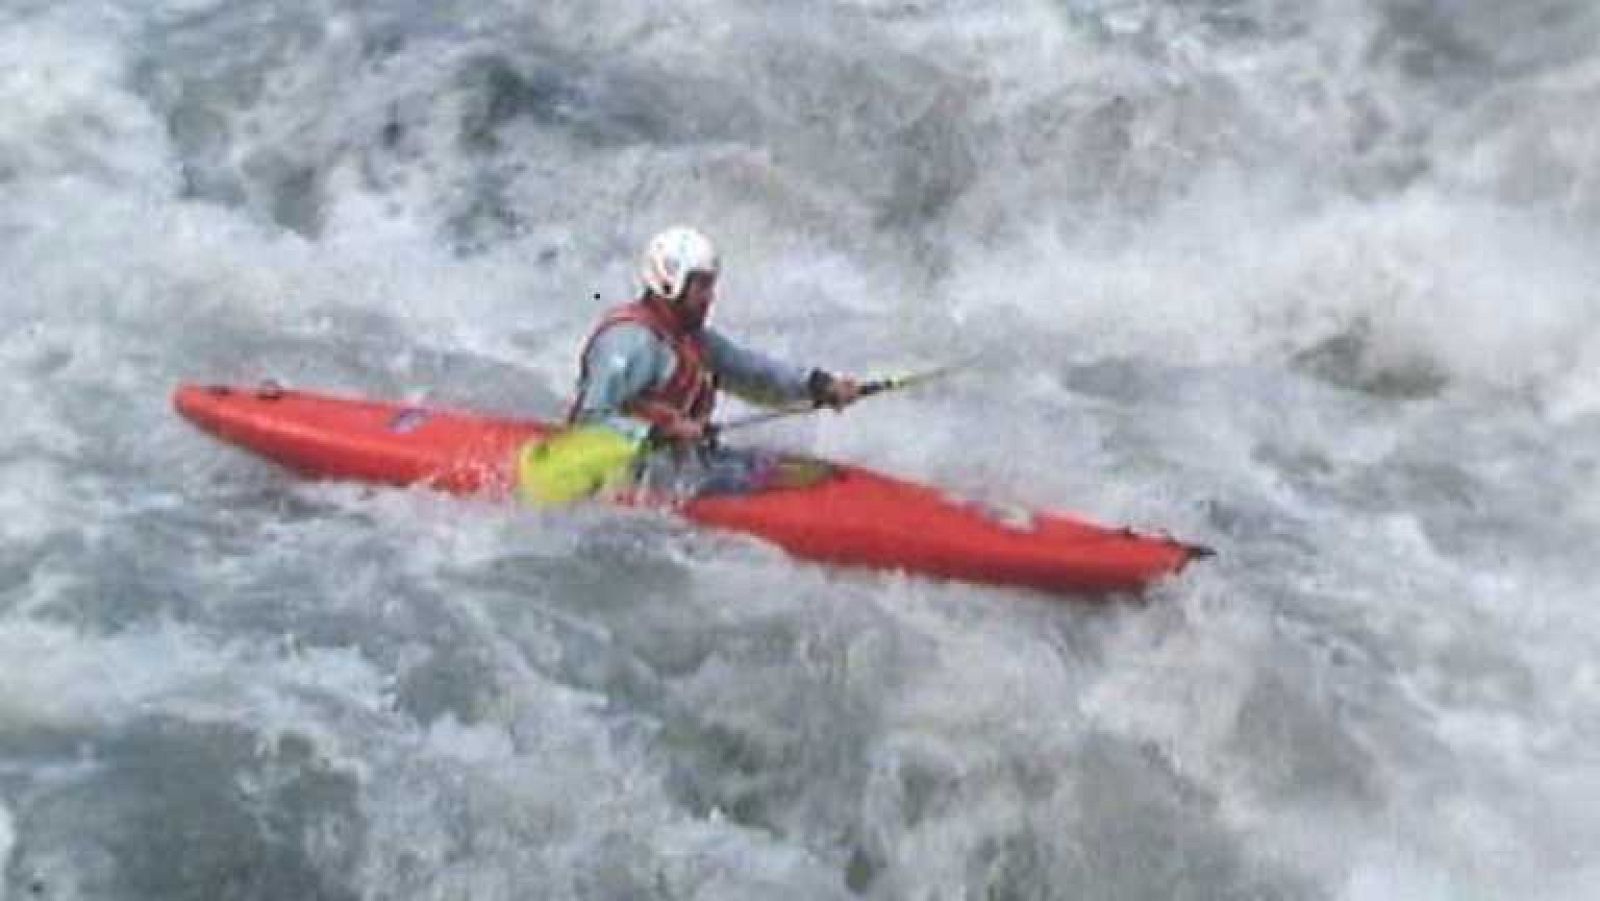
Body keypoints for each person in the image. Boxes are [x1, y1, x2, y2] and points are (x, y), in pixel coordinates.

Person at [566, 226, 861, 496]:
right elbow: (589, 420)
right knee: (774, 480)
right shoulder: (629, 342)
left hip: (682, 463)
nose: (710, 297)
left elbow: (753, 375)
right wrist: (658, 432)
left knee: (801, 469)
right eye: (702, 286)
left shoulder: (693, 340)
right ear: (671, 281)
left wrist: (819, 386)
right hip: (636, 471)